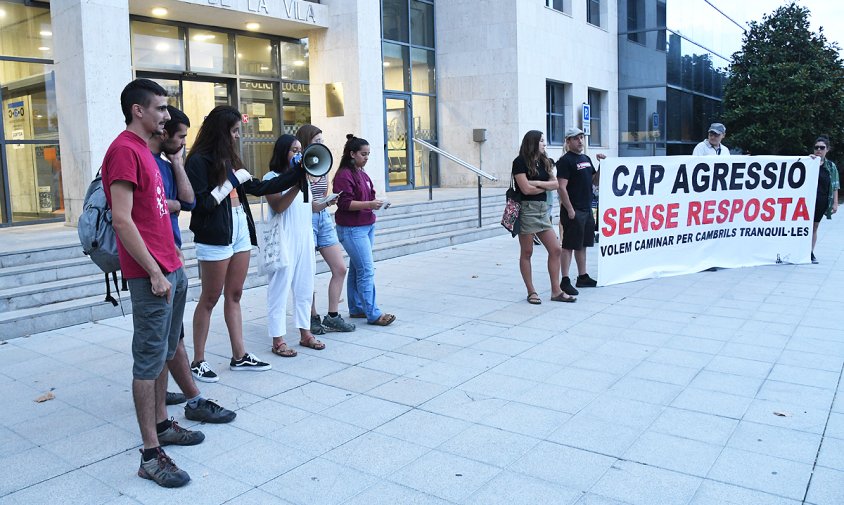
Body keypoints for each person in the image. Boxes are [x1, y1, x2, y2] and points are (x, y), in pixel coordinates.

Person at [102, 79, 198, 488]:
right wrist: (156, 272)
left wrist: (173, 267)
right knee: (147, 360)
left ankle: (162, 424)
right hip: (150, 274)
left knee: (162, 353)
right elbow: (122, 220)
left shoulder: (146, 150)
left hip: (169, 266)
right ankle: (149, 454)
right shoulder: (124, 150)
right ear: (138, 111)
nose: (166, 115)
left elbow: (159, 212)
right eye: (160, 108)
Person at [186, 105, 302, 382]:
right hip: (215, 232)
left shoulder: (230, 159)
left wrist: (298, 175)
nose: (238, 136)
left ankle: (239, 356)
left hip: (239, 227)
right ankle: (198, 361)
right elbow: (200, 204)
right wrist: (229, 183)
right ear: (221, 131)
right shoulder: (198, 161)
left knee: (235, 294)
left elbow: (258, 187)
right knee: (210, 297)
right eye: (235, 131)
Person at [151, 105, 236, 423]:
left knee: (171, 338)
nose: (185, 142)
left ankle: (175, 400)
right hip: (156, 264)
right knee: (163, 341)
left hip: (171, 255)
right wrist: (153, 269)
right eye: (180, 136)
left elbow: (186, 202)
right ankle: (185, 405)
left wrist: (175, 160)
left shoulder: (167, 163)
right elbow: (131, 216)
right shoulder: (141, 160)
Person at [264, 134, 326, 357]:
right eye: (293, 150)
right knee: (279, 289)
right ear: (283, 152)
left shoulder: (305, 179)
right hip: (284, 238)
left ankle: (305, 333)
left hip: (304, 236)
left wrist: (326, 202)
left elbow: (308, 207)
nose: (298, 154)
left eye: (300, 150)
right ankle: (278, 339)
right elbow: (279, 206)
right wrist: (297, 183)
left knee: (305, 287)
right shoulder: (271, 177)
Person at [295, 124, 355, 335]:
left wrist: (328, 201)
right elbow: (300, 199)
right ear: (305, 143)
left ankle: (333, 316)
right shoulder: (297, 167)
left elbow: (323, 192)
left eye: (322, 140)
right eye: (316, 141)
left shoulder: (323, 163)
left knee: (339, 268)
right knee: (308, 272)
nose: (321, 144)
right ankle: (311, 317)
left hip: (322, 218)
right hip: (305, 219)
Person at [332, 134, 396, 326]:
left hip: (366, 225)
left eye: (368, 154)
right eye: (363, 154)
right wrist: (369, 203)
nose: (366, 157)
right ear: (352, 154)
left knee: (357, 269)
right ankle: (373, 313)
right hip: (352, 229)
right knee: (366, 270)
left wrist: (377, 203)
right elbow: (344, 203)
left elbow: (370, 195)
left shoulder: (362, 172)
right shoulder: (344, 175)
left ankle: (357, 307)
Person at [513, 130, 575, 304]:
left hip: (542, 210)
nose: (544, 144)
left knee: (555, 249)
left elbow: (556, 184)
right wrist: (544, 186)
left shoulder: (544, 161)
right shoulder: (519, 162)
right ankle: (531, 291)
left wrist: (538, 183)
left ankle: (556, 291)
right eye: (541, 141)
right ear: (532, 143)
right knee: (527, 252)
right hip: (526, 210)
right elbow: (526, 189)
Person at [557, 127, 605, 296]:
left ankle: (582, 276)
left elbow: (594, 181)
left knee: (582, 244)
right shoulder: (565, 161)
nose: (580, 141)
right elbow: (561, 187)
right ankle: (564, 280)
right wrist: (569, 210)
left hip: (586, 209)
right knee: (568, 246)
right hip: (574, 210)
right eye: (576, 138)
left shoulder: (586, 158)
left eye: (581, 138)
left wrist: (601, 166)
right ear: (568, 141)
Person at [810, 136, 839, 264]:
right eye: (817, 147)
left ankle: (810, 252)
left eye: (822, 148)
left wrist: (835, 203)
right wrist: (808, 161)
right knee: (803, 226)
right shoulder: (808, 162)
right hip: (806, 201)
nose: (819, 150)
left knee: (814, 226)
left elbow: (835, 185)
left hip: (821, 201)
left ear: (827, 150)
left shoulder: (831, 167)